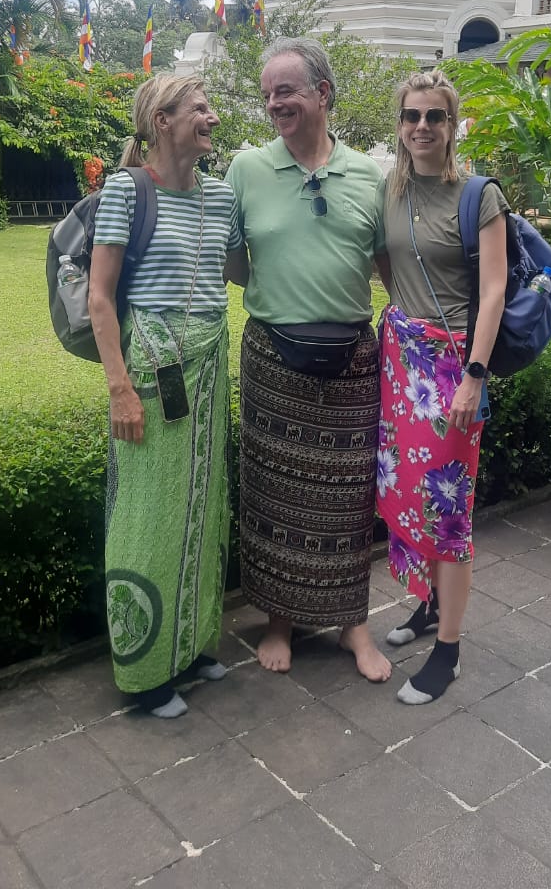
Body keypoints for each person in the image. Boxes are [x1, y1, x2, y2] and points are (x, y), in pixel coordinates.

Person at [225, 38, 392, 682]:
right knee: (273, 497)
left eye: (287, 91)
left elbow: (386, 265)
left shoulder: (367, 176)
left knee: (349, 500)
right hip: (274, 355)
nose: (275, 104)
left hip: (351, 360)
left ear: (323, 93)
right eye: (268, 94)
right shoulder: (247, 171)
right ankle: (278, 622)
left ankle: (354, 626)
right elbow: (232, 259)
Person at [88, 74, 242, 718]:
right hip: (150, 373)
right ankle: (146, 671)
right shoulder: (127, 190)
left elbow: (240, 271)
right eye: (198, 109)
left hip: (207, 369)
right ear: (162, 121)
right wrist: (119, 387)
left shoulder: (224, 196)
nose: (210, 117)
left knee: (205, 509)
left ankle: (193, 645)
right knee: (147, 517)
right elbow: (100, 296)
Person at [377, 71, 507, 704]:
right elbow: (386, 263)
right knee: (408, 496)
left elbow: (494, 292)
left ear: (452, 126)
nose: (422, 127)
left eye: (435, 116)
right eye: (412, 116)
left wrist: (473, 377)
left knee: (447, 510)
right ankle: (426, 607)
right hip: (400, 366)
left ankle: (448, 651)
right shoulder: (391, 193)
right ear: (399, 125)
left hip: (454, 368)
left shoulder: (478, 195)